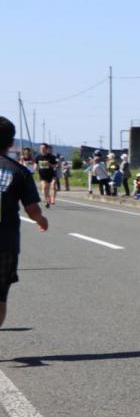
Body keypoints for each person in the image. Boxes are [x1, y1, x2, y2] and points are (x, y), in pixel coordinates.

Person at [0, 118, 49, 328]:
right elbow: (32, 209)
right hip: (5, 242)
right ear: (11, 143)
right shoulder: (19, 171)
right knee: (0, 296)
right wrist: (41, 220)